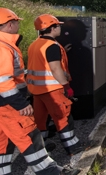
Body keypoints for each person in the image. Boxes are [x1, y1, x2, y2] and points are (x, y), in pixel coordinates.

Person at [0, 7, 70, 175]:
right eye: (16, 22)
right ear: (10, 24)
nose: (18, 25)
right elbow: (1, 80)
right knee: (29, 135)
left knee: (0, 142)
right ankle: (51, 171)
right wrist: (19, 103)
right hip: (5, 102)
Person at [26, 14, 83, 159]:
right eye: (58, 26)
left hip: (38, 91)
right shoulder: (52, 47)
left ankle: (41, 147)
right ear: (52, 28)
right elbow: (55, 69)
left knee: (40, 120)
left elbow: (42, 63)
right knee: (62, 117)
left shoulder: (35, 44)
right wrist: (66, 86)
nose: (60, 28)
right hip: (53, 90)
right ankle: (72, 147)